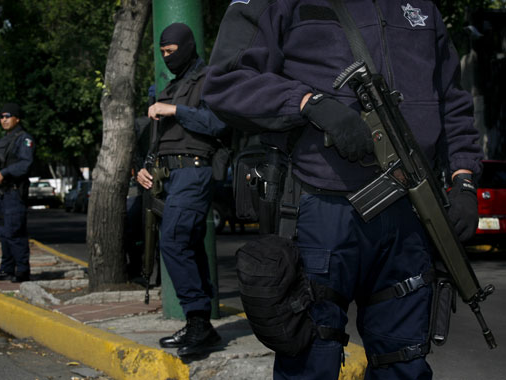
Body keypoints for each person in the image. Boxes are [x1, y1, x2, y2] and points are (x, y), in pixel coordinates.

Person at [203, 1, 483, 379]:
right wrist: (308, 104)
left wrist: (464, 179)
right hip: (321, 206)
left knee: (407, 364)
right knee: (311, 360)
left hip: (412, 212)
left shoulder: (423, 7)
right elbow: (226, 81)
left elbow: (451, 98)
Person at [136, 23, 228, 357]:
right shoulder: (171, 86)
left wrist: (175, 109)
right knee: (187, 243)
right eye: (162, 53)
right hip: (170, 174)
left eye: (171, 51)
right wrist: (145, 167)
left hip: (195, 171)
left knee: (173, 240)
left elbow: (218, 124)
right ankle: (199, 322)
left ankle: (199, 324)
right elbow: (158, 138)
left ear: (187, 47)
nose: (166, 58)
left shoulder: (209, 79)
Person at [0, 103, 35, 283]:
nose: (4, 120)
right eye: (2, 117)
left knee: (15, 233)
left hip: (14, 193)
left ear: (17, 118)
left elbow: (25, 164)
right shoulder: (3, 141)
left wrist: (5, 173)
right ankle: (6, 269)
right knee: (4, 235)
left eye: (8, 116)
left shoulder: (24, 139)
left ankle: (22, 271)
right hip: (1, 195)